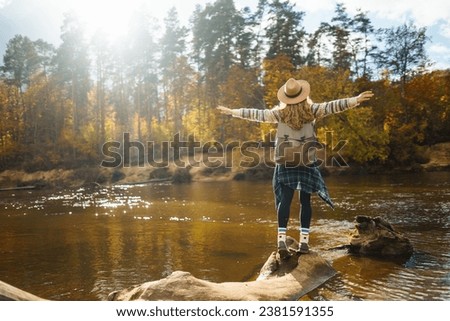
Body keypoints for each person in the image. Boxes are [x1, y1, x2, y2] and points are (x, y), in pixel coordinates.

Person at [217, 78, 374, 259]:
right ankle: (305, 243)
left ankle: (281, 241)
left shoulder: (280, 114)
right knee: (305, 202)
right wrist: (356, 99)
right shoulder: (312, 111)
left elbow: (256, 114)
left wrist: (233, 112)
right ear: (304, 96)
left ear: (286, 98)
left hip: (285, 161)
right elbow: (334, 106)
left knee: (285, 200)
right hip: (306, 161)